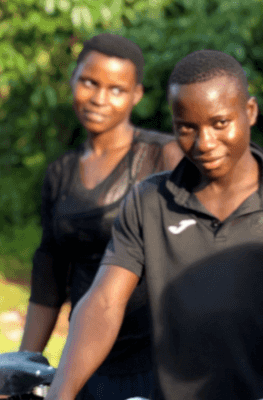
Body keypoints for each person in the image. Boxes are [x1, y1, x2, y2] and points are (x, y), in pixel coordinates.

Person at [43, 50, 263, 400]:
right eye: (187, 128)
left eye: (220, 123)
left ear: (249, 112)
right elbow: (103, 303)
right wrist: (60, 393)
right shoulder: (149, 200)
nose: (204, 143)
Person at [19, 33, 183, 399]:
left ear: (136, 95)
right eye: (89, 82)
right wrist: (22, 366)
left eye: (116, 89)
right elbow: (49, 276)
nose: (98, 99)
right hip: (88, 359)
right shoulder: (60, 173)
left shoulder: (164, 158)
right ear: (73, 78)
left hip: (157, 360)